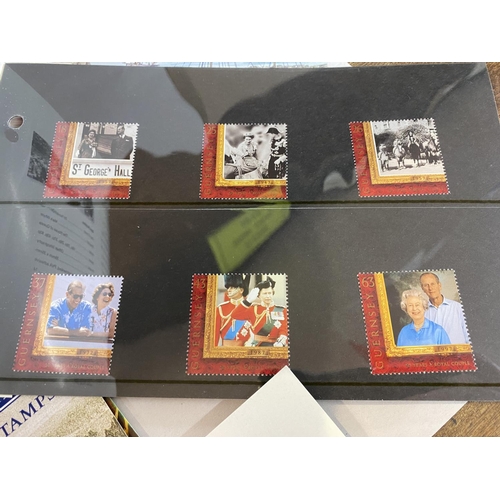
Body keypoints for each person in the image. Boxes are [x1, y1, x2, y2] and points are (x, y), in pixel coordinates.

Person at [231, 277, 288, 347]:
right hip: (257, 346)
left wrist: (281, 341)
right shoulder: (253, 309)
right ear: (259, 295)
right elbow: (235, 315)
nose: (268, 296)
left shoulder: (281, 310)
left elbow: (283, 329)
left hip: (275, 345)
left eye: (269, 293)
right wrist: (247, 301)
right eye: (265, 293)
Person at [420, 272, 469, 344]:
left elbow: (469, 337)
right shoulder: (421, 312)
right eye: (426, 285)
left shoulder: (457, 307)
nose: (430, 288)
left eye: (432, 284)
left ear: (439, 285)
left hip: (458, 351)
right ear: (423, 289)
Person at [215, 274, 250, 346]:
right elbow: (215, 336)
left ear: (241, 290)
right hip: (226, 349)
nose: (229, 290)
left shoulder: (251, 308)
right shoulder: (221, 308)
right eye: (228, 287)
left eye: (232, 287)